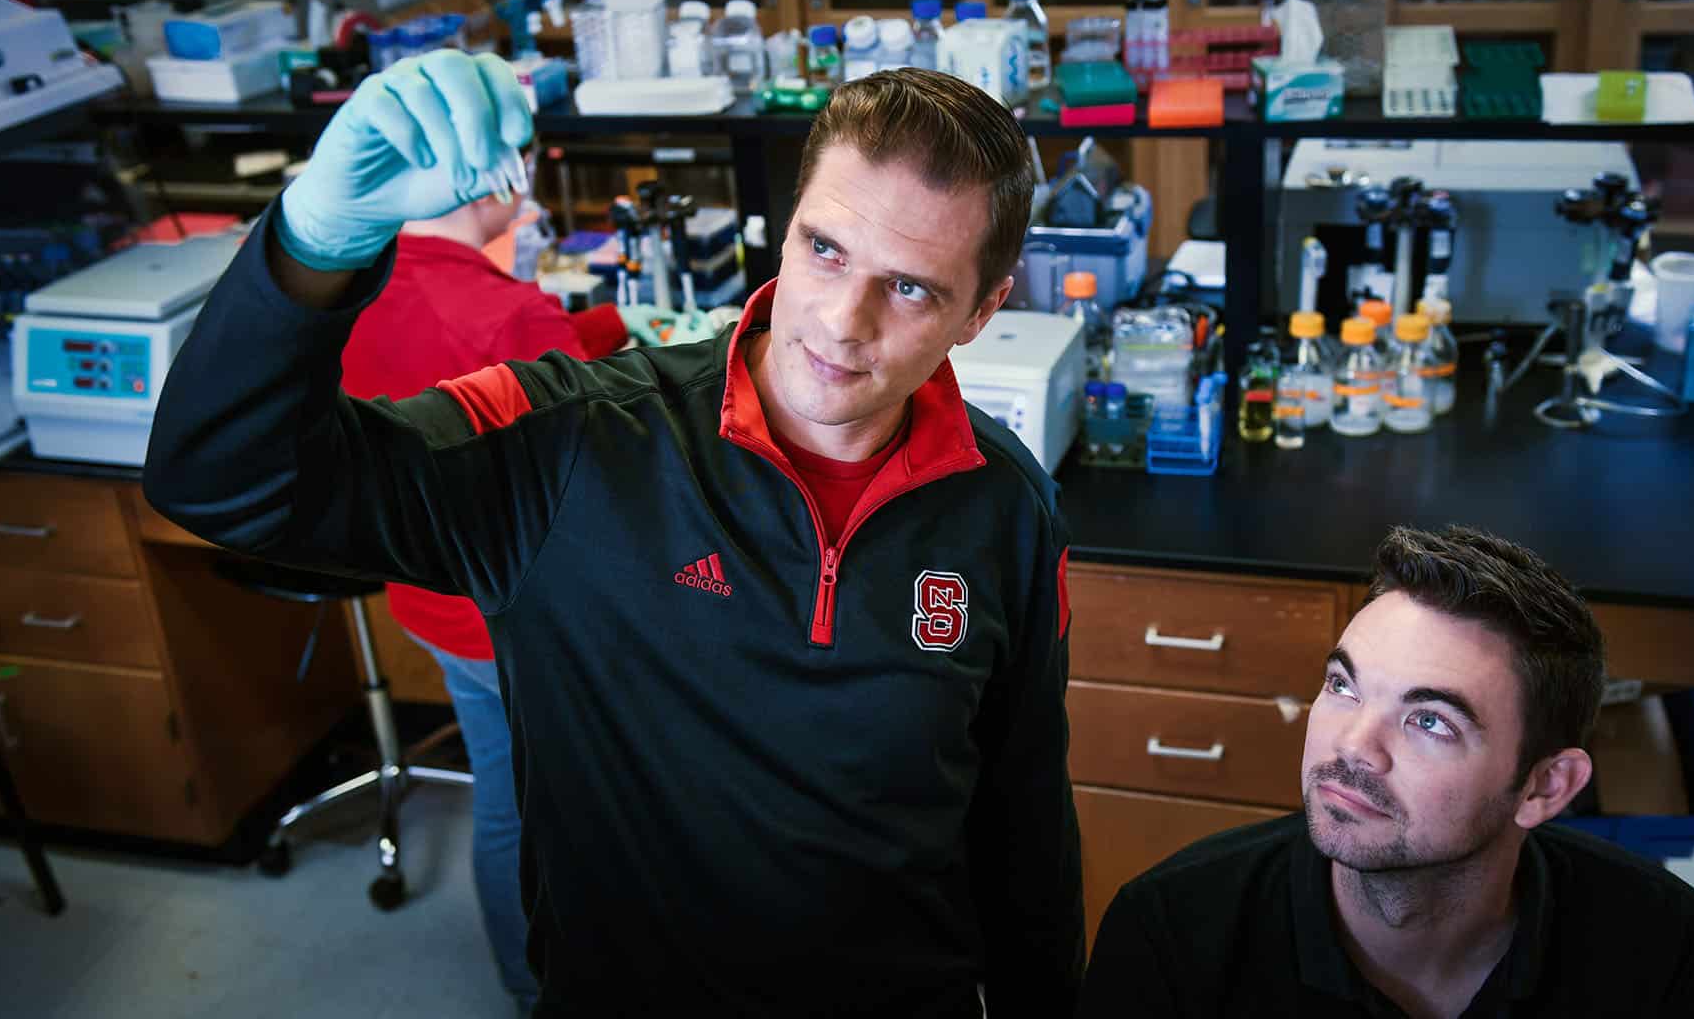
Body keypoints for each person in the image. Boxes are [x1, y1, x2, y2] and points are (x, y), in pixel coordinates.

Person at [143, 52, 1082, 1015]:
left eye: (913, 288)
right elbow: (223, 481)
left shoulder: (1004, 504)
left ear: (984, 309)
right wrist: (312, 242)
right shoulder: (570, 443)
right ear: (787, 226)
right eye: (825, 250)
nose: (844, 321)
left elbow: (1024, 822)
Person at [1077, 525, 1694, 1019]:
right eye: (1343, 686)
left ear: (1544, 786)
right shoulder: (1170, 935)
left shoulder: (1655, 941)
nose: (1353, 745)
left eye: (1430, 721)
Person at [337, 177, 629, 1016]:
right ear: (490, 179)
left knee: (506, 782)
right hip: (512, 612)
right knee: (537, 800)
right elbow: (601, 466)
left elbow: (466, 383)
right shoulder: (507, 310)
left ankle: (525, 972)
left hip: (427, 592)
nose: (531, 192)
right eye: (523, 168)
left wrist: (607, 332)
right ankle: (540, 984)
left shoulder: (362, 280)